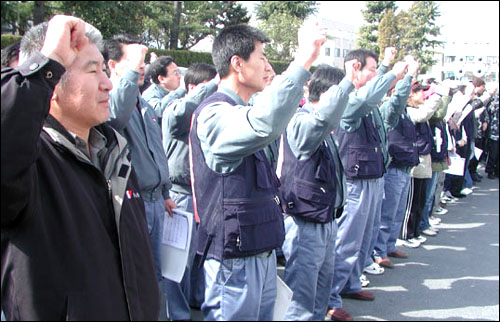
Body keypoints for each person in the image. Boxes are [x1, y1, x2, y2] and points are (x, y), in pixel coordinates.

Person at [1, 15, 159, 320]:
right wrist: (49, 60)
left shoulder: (114, 153)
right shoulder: (30, 161)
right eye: (92, 71)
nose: (108, 83)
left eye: (104, 69)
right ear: (53, 84)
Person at [189, 22, 325, 321]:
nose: (268, 66)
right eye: (261, 57)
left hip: (257, 246)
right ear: (237, 63)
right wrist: (303, 59)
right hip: (235, 256)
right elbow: (264, 122)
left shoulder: (244, 107)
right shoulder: (215, 112)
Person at [326, 47, 408, 322]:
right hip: (355, 181)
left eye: (377, 70)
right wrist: (389, 69)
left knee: (365, 237)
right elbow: (365, 98)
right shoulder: (347, 98)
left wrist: (398, 77)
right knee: (347, 240)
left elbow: (387, 109)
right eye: (372, 69)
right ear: (354, 68)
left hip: (373, 177)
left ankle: (351, 283)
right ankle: (330, 297)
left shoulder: (368, 104)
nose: (377, 75)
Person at [278, 62, 358, 320]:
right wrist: (347, 83)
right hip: (305, 221)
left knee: (320, 291)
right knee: (301, 297)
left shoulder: (323, 127)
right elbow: (314, 127)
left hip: (324, 218)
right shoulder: (301, 120)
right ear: (326, 96)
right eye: (341, 96)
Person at [102, 34, 177, 306]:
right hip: (134, 202)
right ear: (112, 65)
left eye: (143, 60)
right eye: (134, 60)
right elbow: (115, 118)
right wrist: (133, 72)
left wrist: (166, 191)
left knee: (157, 273)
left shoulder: (143, 104)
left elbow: (157, 151)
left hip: (156, 200)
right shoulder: (111, 100)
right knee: (137, 272)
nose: (142, 66)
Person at [161, 62, 218, 321]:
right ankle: (178, 314)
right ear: (193, 88)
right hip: (179, 194)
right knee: (178, 262)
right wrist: (212, 85)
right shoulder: (177, 110)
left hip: (200, 193)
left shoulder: (205, 114)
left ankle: (195, 300)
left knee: (198, 255)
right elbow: (180, 114)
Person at [372, 56, 420, 268]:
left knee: (397, 212)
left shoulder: (406, 114)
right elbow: (397, 102)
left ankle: (389, 245)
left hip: (404, 166)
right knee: (387, 212)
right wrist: (407, 75)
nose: (408, 94)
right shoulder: (389, 110)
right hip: (393, 167)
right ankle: (379, 250)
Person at [399, 81, 447, 247]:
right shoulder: (410, 110)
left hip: (425, 156)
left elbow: (436, 114)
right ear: (411, 94)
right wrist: (438, 96)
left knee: (420, 199)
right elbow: (424, 114)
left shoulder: (420, 108)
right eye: (421, 92)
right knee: (411, 202)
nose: (424, 95)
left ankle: (415, 231)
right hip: (415, 157)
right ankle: (406, 234)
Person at [143, 55, 186, 126]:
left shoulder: (181, 92)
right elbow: (158, 111)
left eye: (179, 72)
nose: (179, 76)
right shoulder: (150, 94)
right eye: (175, 73)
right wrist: (180, 90)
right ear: (162, 79)